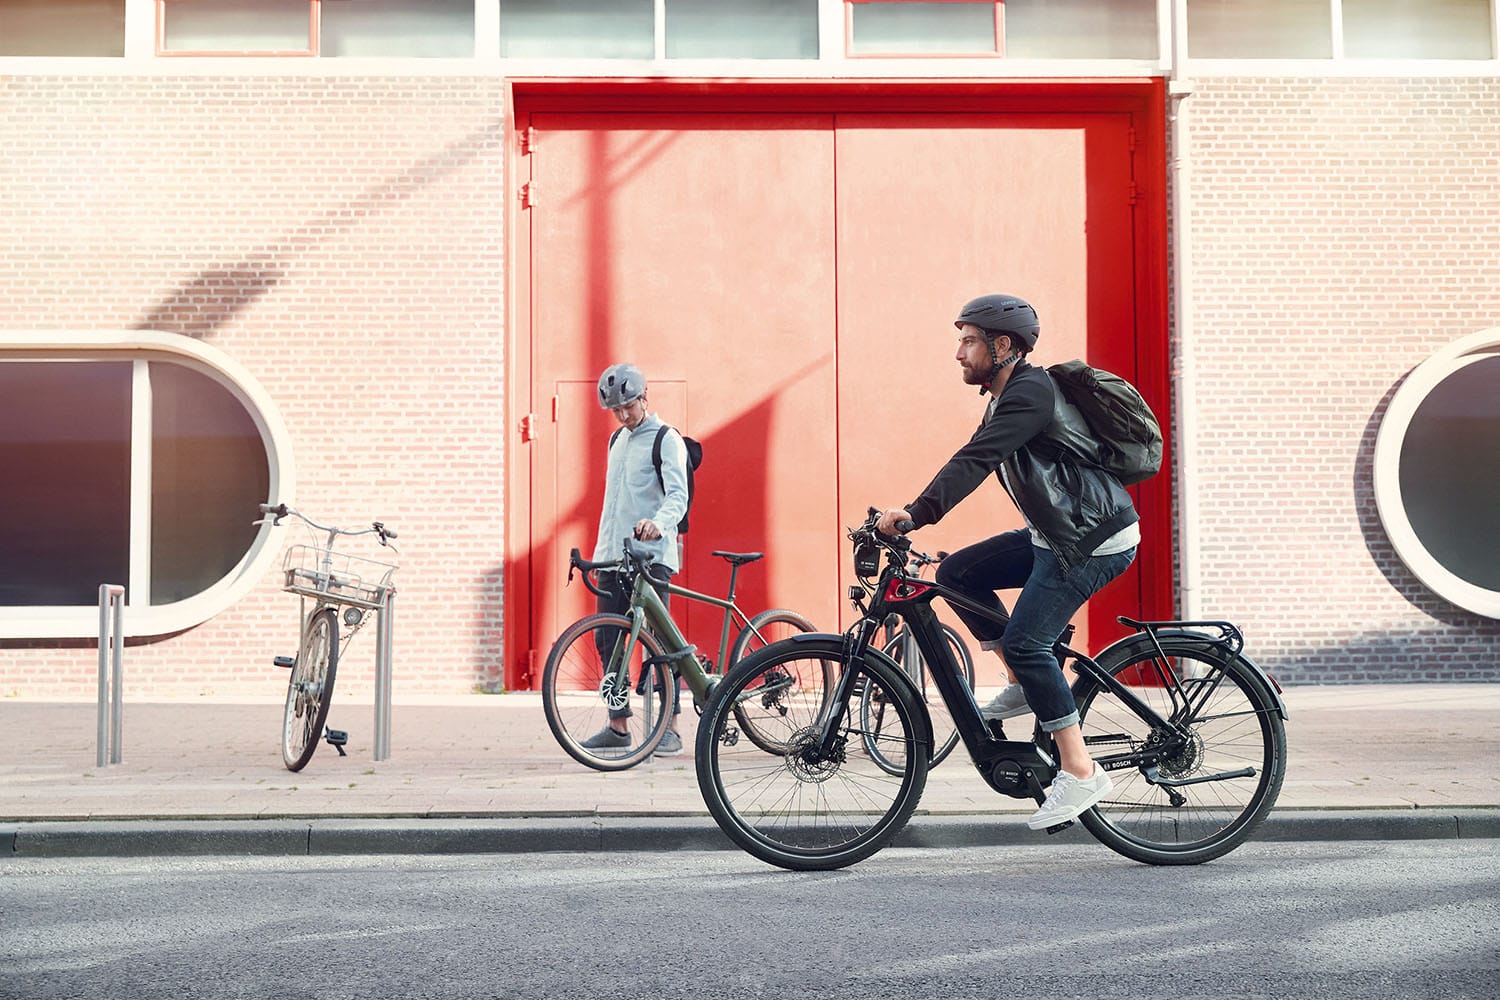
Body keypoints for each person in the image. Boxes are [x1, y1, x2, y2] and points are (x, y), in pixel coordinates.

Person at [875, 294, 1140, 830]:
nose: (958, 353)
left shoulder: (1031, 392)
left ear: (1002, 346)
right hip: (1058, 534)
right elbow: (975, 453)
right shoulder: (1004, 397)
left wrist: (917, 513)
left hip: (1091, 538)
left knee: (1027, 640)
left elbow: (977, 460)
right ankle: (1027, 679)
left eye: (968, 340)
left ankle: (1081, 770)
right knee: (958, 574)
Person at [583, 363, 692, 756]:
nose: (624, 414)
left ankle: (672, 726)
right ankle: (618, 724)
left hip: (650, 556)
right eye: (616, 410)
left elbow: (677, 497)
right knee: (607, 637)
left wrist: (658, 524)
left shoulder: (666, 439)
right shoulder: (617, 441)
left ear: (644, 397)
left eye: (628, 406)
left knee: (659, 641)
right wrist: (600, 554)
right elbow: (612, 505)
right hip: (613, 555)